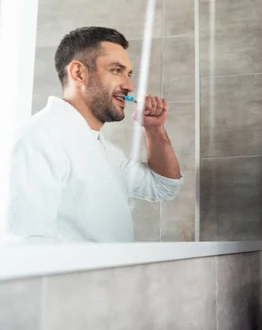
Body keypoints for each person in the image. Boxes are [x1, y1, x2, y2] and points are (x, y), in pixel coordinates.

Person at [7, 27, 183, 243]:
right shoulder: (37, 139)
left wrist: (154, 129)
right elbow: (25, 244)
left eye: (128, 74)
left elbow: (163, 188)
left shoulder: (104, 149)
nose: (129, 86)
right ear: (79, 73)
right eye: (116, 70)